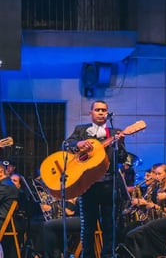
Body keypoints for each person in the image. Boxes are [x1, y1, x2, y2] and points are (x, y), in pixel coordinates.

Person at [63, 100, 128, 258]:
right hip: (87, 185)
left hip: (109, 184)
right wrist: (78, 143)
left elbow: (122, 158)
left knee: (110, 226)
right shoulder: (81, 130)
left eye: (104, 110)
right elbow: (65, 144)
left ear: (107, 113)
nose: (101, 112)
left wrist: (119, 144)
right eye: (97, 110)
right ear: (90, 113)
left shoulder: (115, 133)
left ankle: (108, 255)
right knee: (88, 227)